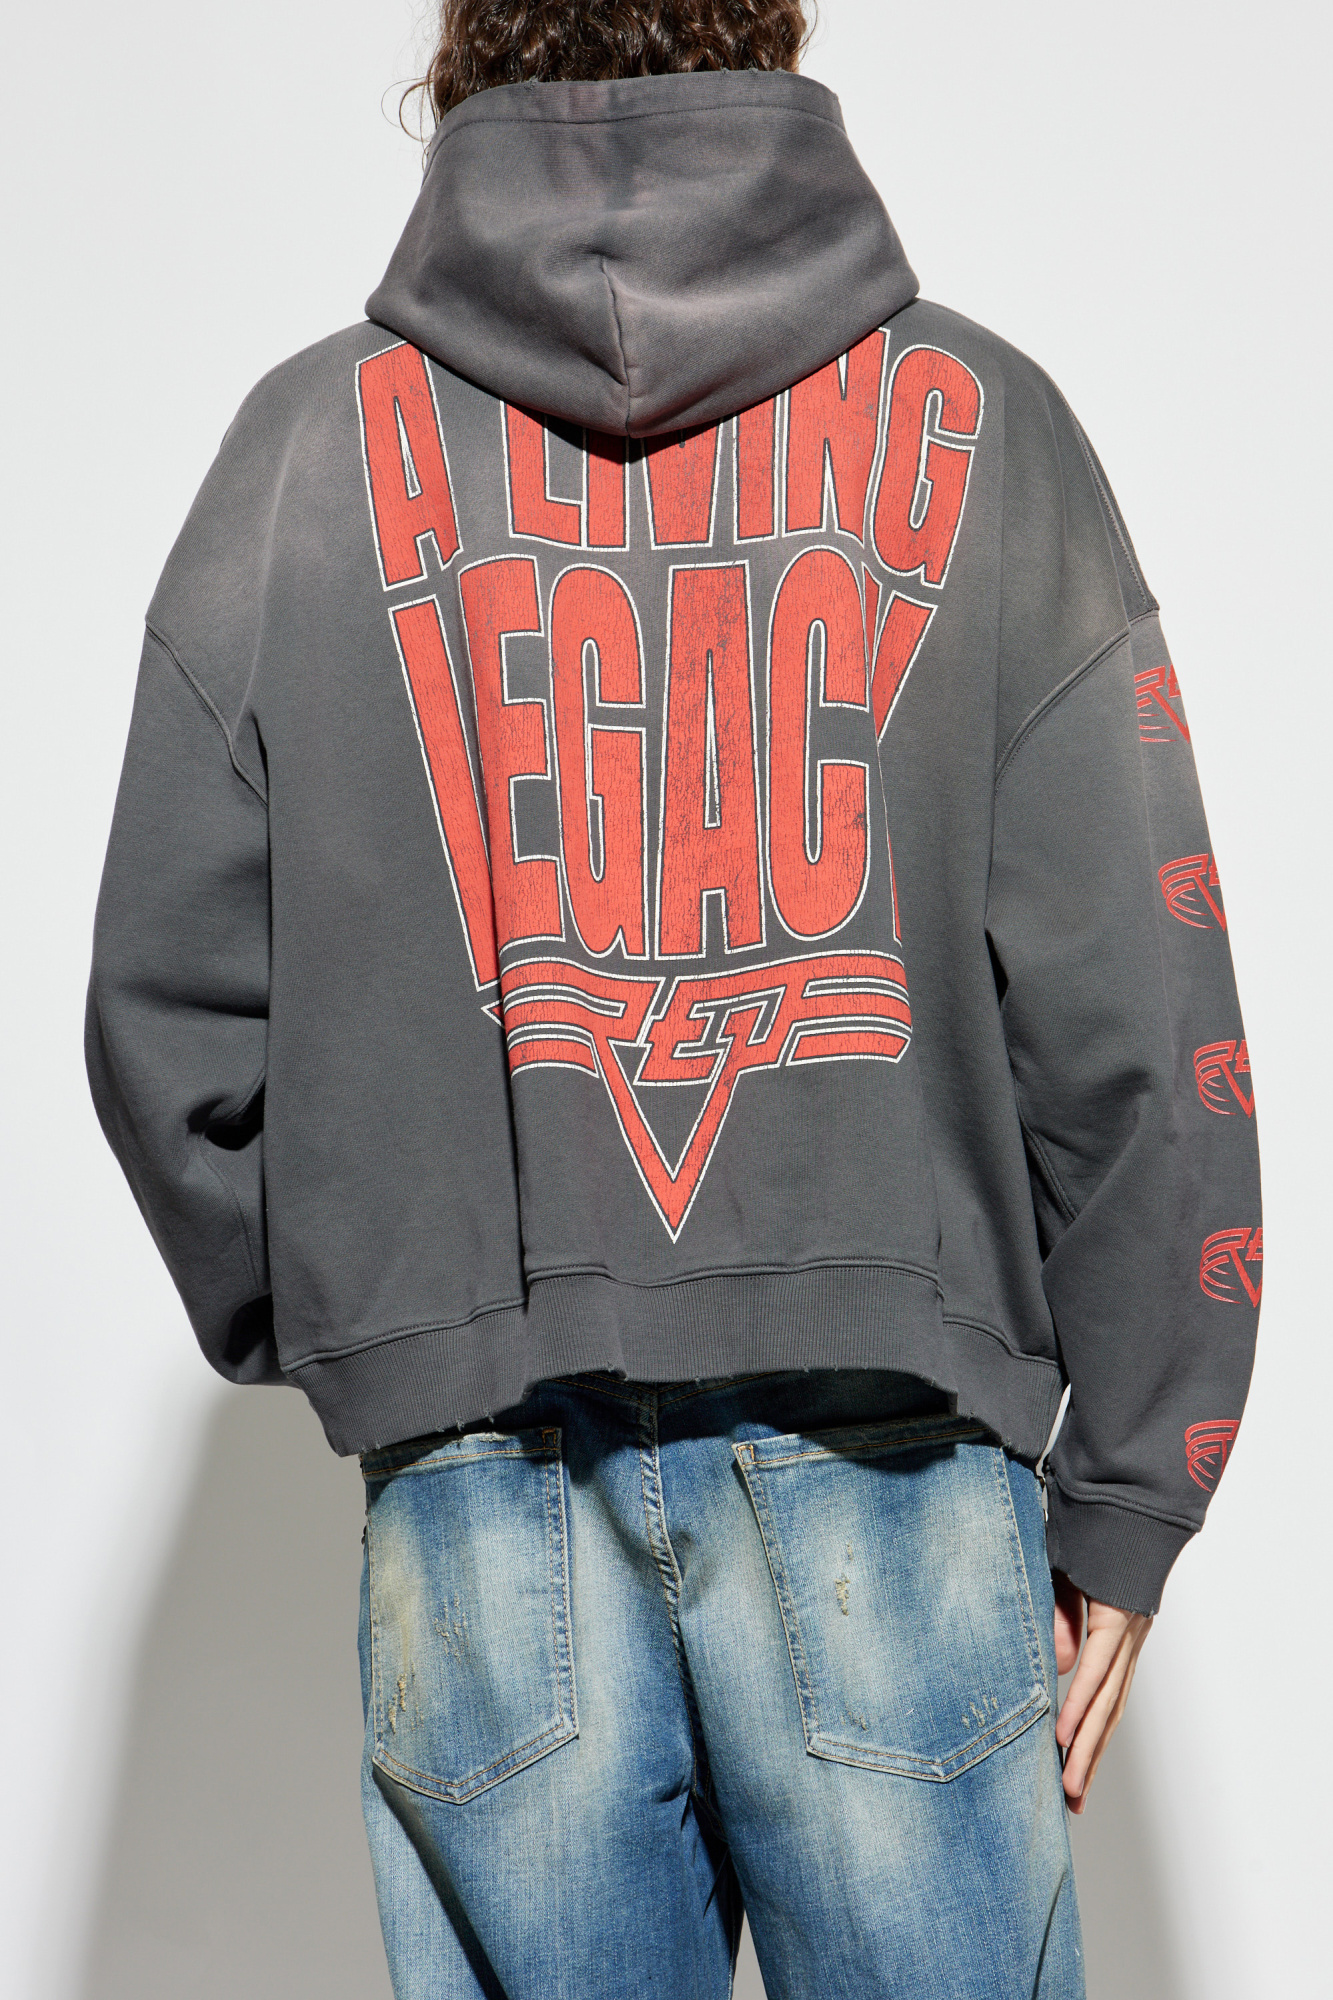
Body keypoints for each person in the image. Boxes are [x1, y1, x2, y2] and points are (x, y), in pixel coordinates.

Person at [85, 2, 1261, 1993]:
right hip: (898, 1477)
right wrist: (1136, 1484)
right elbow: (1136, 1009)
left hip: (480, 1501)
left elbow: (161, 1015)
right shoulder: (986, 433)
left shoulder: (304, 460)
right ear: (763, 23)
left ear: (469, 45)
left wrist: (383, 1314)